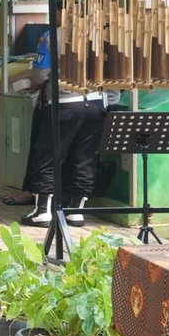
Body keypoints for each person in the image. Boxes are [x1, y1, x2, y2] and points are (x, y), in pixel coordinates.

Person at [18, 18, 106, 226]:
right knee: (85, 158)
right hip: (96, 103)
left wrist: (35, 83)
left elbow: (39, 75)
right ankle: (76, 211)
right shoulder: (100, 34)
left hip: (65, 102)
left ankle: (43, 211)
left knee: (48, 155)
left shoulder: (52, 35)